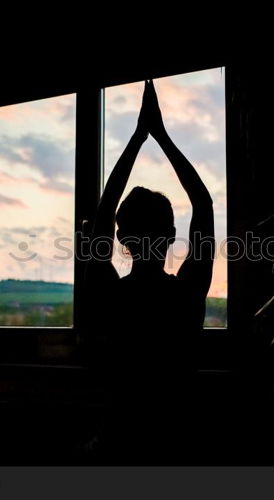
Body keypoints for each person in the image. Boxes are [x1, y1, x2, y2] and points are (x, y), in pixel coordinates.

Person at [85, 80, 215, 456]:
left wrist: (138, 138)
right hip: (176, 439)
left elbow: (102, 214)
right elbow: (203, 205)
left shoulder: (110, 292)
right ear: (172, 235)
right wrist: (160, 135)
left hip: (118, 440)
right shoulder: (187, 292)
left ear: (121, 238)